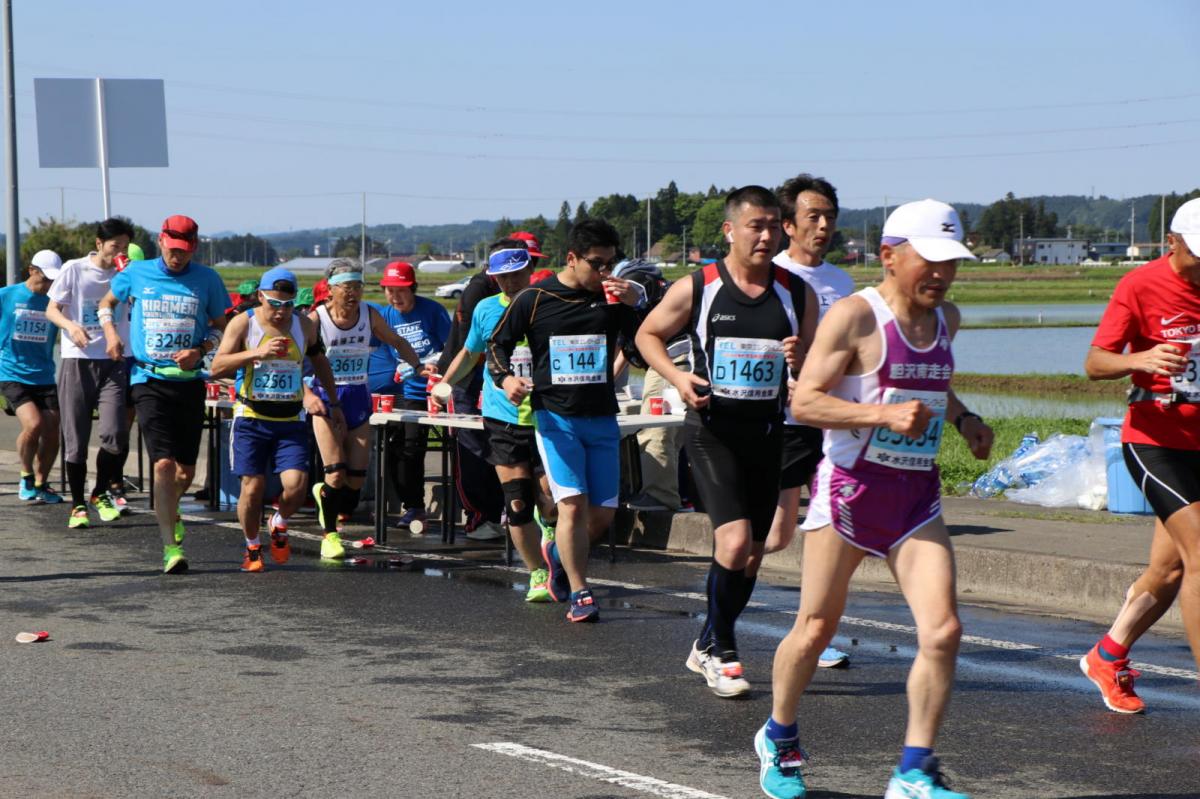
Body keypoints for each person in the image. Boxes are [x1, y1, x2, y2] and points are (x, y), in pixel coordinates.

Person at [756, 199, 991, 799]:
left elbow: (934, 385)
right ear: (889, 256)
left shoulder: (948, 318)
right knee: (815, 629)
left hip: (915, 498)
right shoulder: (856, 317)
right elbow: (806, 401)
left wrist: (964, 421)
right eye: (929, 260)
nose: (941, 274)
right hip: (850, 495)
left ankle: (913, 771)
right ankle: (778, 734)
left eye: (951, 262)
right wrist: (882, 415)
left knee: (943, 630)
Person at [637, 186, 818, 697]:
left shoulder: (796, 293)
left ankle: (706, 641)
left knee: (754, 554)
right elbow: (647, 335)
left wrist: (801, 361)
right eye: (755, 226)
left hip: (768, 434)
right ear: (730, 230)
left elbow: (813, 367)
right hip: (712, 433)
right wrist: (677, 377)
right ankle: (723, 652)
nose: (766, 236)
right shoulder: (700, 286)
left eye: (774, 226)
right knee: (733, 543)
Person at [488, 220, 643, 623]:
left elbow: (641, 348)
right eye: (597, 263)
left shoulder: (613, 299)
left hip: (602, 417)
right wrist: (507, 379)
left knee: (602, 515)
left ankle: (557, 553)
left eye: (611, 264)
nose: (605, 272)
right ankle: (580, 591)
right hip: (556, 419)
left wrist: (635, 305)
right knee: (572, 506)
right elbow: (497, 345)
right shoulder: (534, 298)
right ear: (572, 258)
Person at [1079, 196, 1200, 713]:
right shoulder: (1140, 285)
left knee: (1169, 572)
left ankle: (1107, 656)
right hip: (1155, 440)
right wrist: (1143, 358)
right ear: (1173, 243)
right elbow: (1094, 362)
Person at [99, 214, 232, 574]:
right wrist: (111, 335)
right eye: (173, 249)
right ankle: (171, 547)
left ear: (195, 247)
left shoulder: (207, 279)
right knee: (163, 464)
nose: (177, 256)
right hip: (148, 378)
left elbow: (223, 327)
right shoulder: (136, 273)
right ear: (160, 242)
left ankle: (171, 510)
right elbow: (105, 304)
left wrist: (201, 349)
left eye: (184, 250)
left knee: (185, 473)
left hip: (189, 382)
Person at [763, 174, 858, 670]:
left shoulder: (843, 284)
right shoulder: (770, 275)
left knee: (830, 533)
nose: (823, 226)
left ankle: (812, 635)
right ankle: (722, 606)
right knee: (777, 534)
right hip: (786, 419)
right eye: (813, 217)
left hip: (834, 423)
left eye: (830, 218)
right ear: (788, 224)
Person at [439, 241, 554, 600]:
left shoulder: (547, 304)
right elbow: (470, 352)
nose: (509, 283)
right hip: (502, 417)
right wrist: (444, 383)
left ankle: (552, 539)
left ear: (529, 271)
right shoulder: (486, 308)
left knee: (550, 499)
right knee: (517, 501)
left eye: (516, 275)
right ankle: (537, 573)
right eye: (502, 278)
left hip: (546, 416)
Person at [210, 267, 342, 572]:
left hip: (290, 420)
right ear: (260, 297)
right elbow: (217, 367)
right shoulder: (243, 323)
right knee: (252, 488)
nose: (281, 312)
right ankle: (252, 547)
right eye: (274, 304)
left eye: (288, 305)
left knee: (296, 487)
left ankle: (279, 522)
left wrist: (333, 401)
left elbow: (320, 362)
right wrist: (257, 353)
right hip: (251, 418)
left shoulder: (304, 325)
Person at [308, 258, 423, 559]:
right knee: (335, 473)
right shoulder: (316, 319)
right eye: (347, 287)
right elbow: (294, 360)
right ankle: (330, 536)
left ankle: (324, 495)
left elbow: (397, 341)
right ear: (331, 289)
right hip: (326, 399)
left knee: (356, 479)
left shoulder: (369, 315)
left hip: (358, 395)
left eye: (358, 287)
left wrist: (418, 366)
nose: (353, 293)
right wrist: (306, 394)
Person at [45, 218, 135, 529]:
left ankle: (99, 492)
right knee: (76, 438)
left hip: (115, 360)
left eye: (125, 247)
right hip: (78, 359)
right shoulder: (74, 268)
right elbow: (52, 309)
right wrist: (71, 327)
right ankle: (78, 505)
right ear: (99, 244)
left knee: (115, 433)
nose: (120, 252)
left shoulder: (128, 274)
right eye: (115, 246)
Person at [366, 261, 451, 531]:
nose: (395, 297)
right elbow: (370, 348)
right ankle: (409, 505)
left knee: (413, 448)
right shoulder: (384, 316)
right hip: (401, 391)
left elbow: (451, 348)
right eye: (389, 291)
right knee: (394, 449)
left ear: (413, 288)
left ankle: (415, 507)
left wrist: (430, 362)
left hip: (431, 391)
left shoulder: (433, 311)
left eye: (401, 290)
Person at [0, 250, 64, 504]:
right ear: (31, 271)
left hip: (44, 375)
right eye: (45, 278)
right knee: (34, 424)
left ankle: (41, 482)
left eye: (53, 280)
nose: (49, 284)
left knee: (52, 430)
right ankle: (25, 476)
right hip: (11, 372)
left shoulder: (56, 300)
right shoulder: (7, 295)